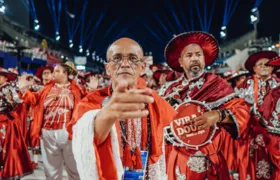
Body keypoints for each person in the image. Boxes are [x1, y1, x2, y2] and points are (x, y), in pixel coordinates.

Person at [67, 38, 176, 179]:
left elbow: (178, 127)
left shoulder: (154, 99)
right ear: (107, 68)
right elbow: (84, 138)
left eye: (132, 58)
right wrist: (105, 116)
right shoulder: (91, 101)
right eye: (117, 58)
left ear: (142, 67)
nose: (124, 64)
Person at [160, 31, 250, 180]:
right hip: (176, 158)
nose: (195, 58)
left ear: (204, 59)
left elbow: (242, 111)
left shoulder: (218, 84)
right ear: (181, 62)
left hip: (208, 159)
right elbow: (157, 120)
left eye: (198, 55)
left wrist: (218, 115)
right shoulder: (168, 90)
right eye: (189, 55)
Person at [19, 62, 82, 180]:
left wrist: (93, 89)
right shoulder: (47, 88)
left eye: (57, 71)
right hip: (47, 133)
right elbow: (33, 99)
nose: (53, 74)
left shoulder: (76, 89)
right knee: (51, 170)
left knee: (74, 168)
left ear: (65, 74)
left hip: (68, 133)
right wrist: (24, 90)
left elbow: (89, 101)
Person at [236, 51, 280, 179]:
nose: (263, 67)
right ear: (254, 68)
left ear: (272, 67)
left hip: (275, 135)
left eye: (266, 64)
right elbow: (237, 108)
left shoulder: (278, 84)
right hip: (251, 134)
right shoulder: (245, 85)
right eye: (259, 64)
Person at [0, 68, 33, 179]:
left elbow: (16, 104)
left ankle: (7, 169)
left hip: (5, 121)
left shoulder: (9, 88)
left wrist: (11, 101)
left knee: (7, 148)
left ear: (5, 78)